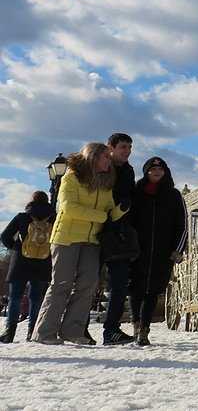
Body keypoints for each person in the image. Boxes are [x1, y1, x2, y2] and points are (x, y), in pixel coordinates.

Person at [33, 142, 129, 345]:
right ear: (93, 157)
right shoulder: (72, 177)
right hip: (66, 238)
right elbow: (69, 208)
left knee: (88, 285)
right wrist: (103, 216)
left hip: (92, 239)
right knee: (61, 284)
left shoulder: (106, 181)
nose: (108, 161)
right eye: (105, 157)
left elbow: (110, 212)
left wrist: (121, 210)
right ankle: (44, 332)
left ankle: (73, 331)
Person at [126, 157, 187, 346]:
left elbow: (182, 225)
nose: (156, 172)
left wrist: (177, 250)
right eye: (152, 169)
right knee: (135, 289)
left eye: (160, 169)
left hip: (163, 252)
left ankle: (144, 329)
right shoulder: (136, 193)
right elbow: (126, 221)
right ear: (146, 172)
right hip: (138, 250)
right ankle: (136, 324)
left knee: (152, 291)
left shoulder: (174, 195)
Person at [1, 191, 55, 343]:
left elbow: (5, 236)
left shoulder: (22, 217)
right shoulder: (53, 217)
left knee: (15, 297)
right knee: (36, 297)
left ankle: (9, 332)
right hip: (43, 261)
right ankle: (33, 331)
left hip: (21, 261)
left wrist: (16, 247)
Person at [101, 132, 138, 346]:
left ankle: (111, 330)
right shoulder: (100, 166)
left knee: (120, 282)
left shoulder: (129, 170)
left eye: (129, 148)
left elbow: (129, 198)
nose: (127, 152)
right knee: (85, 282)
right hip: (95, 227)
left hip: (117, 232)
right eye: (123, 147)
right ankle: (79, 329)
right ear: (111, 147)